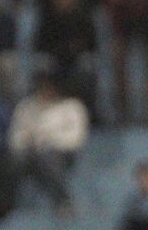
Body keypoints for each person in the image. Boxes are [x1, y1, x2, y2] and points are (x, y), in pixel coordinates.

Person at [8, 71, 89, 216]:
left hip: (62, 152)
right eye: (42, 87)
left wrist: (48, 140)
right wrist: (26, 142)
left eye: (48, 87)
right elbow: (15, 135)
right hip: (31, 151)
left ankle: (62, 200)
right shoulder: (26, 107)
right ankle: (10, 202)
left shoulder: (71, 106)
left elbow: (75, 139)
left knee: (48, 158)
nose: (45, 91)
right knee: (14, 160)